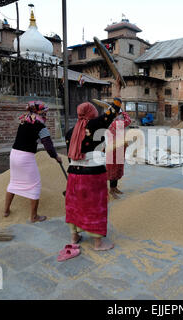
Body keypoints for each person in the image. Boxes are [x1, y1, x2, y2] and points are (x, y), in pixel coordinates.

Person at [60, 96, 122, 261]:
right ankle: (98, 243)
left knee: (74, 205)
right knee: (95, 207)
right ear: (92, 113)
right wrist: (117, 92)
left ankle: (74, 237)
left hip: (74, 175)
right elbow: (113, 110)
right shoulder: (95, 125)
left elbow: (70, 156)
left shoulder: (70, 132)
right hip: (93, 176)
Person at [4, 101, 62, 223]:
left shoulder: (25, 119)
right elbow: (48, 145)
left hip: (14, 154)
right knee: (35, 185)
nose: (46, 114)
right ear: (39, 112)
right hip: (26, 157)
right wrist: (56, 157)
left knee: (14, 182)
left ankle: (6, 211)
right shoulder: (40, 125)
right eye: (45, 112)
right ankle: (34, 216)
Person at [106, 105, 132, 199]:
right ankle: (111, 190)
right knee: (113, 169)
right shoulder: (116, 123)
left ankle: (115, 187)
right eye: (120, 114)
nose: (122, 116)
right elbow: (128, 120)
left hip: (119, 148)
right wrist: (124, 113)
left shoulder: (116, 122)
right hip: (114, 149)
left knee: (117, 168)